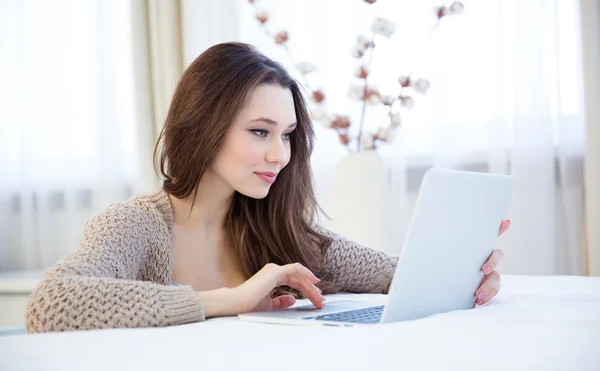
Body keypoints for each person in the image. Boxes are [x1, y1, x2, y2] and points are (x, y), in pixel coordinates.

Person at [25, 42, 510, 332]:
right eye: (260, 131)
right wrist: (229, 300)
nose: (280, 155)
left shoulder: (277, 230)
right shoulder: (135, 226)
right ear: (203, 127)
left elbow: (395, 275)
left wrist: (470, 269)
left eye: (287, 135)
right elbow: (52, 305)